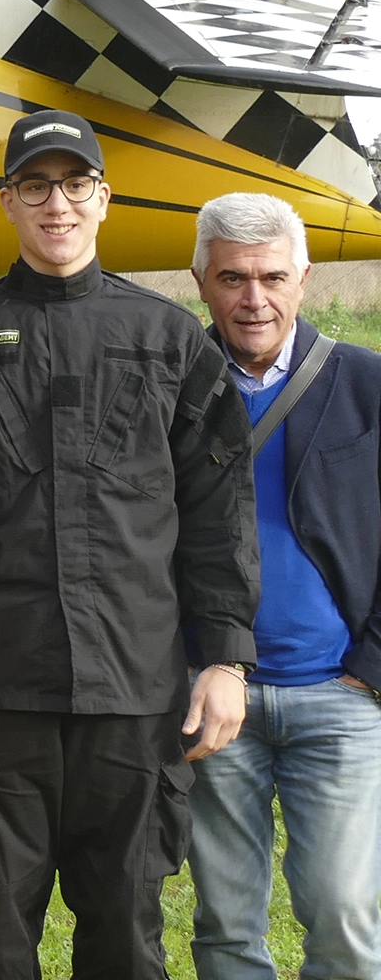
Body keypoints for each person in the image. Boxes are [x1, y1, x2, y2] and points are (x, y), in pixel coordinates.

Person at [0, 110, 257, 980]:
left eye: (74, 184)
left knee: (127, 935)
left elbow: (217, 512)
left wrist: (226, 660)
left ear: (104, 199)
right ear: (7, 202)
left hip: (134, 697)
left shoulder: (170, 341)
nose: (56, 204)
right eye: (34, 185)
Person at [185, 194, 381, 980]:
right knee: (226, 922)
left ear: (304, 279)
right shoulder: (175, 383)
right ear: (201, 280)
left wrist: (371, 668)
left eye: (272, 277)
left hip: (339, 696)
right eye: (232, 277)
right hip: (213, 692)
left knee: (343, 912)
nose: (253, 299)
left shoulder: (366, 384)